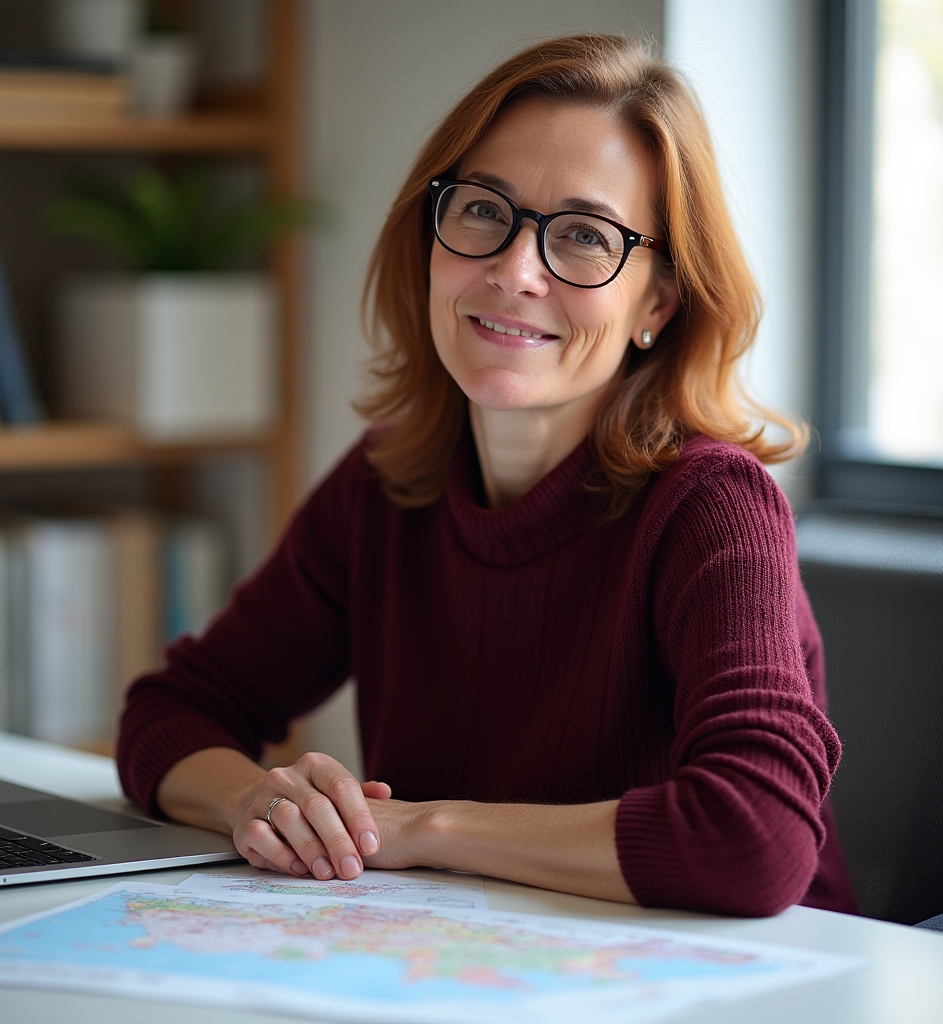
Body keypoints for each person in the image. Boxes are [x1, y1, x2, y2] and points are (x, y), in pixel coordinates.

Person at [117, 35, 857, 917]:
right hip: (475, 960)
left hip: (760, 972)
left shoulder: (713, 507)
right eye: (481, 209)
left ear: (656, 302)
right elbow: (172, 712)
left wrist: (424, 829)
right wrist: (254, 800)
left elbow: (756, 838)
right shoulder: (387, 483)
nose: (514, 270)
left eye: (584, 236)